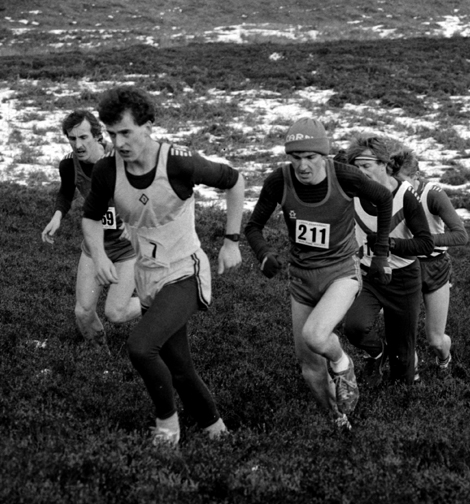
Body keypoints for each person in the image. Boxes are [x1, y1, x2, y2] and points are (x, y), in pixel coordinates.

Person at [81, 87, 245, 445]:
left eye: (125, 132)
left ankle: (167, 427)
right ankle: (219, 435)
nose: (118, 142)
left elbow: (235, 181)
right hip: (147, 277)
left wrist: (231, 240)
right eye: (111, 134)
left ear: (148, 126)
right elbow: (90, 218)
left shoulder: (179, 162)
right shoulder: (108, 170)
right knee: (181, 369)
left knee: (141, 346)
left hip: (185, 273)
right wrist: (100, 254)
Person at [244, 118, 393, 431]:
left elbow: (383, 198)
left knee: (316, 335)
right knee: (310, 370)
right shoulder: (278, 181)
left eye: (310, 157)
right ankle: (338, 419)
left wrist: (380, 254)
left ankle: (343, 364)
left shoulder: (345, 176)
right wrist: (263, 255)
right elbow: (253, 227)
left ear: (324, 155)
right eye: (296, 158)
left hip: (341, 272)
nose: (302, 166)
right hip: (302, 280)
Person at [41, 110, 140, 350]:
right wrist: (57, 216)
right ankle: (101, 363)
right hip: (95, 247)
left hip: (129, 249)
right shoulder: (68, 164)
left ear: (97, 136)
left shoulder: (121, 159)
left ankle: (158, 298)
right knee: (83, 312)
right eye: (72, 139)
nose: (78, 145)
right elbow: (66, 191)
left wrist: (134, 219)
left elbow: (148, 193)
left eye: (84, 137)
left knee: (116, 313)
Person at [342, 134, 434, 386]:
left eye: (366, 166)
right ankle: (376, 352)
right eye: (356, 167)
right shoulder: (352, 193)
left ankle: (401, 400)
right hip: (368, 276)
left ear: (384, 164)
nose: (360, 172)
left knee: (402, 361)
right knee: (354, 327)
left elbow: (426, 243)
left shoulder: (406, 195)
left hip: (403, 279)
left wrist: (389, 244)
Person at [393, 147, 468, 377]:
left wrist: (423, 241)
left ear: (416, 177)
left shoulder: (433, 195)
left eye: (403, 181)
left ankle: (444, 360)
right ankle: (411, 377)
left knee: (435, 340)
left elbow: (461, 235)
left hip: (434, 266)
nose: (398, 187)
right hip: (405, 266)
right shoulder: (388, 193)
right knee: (404, 335)